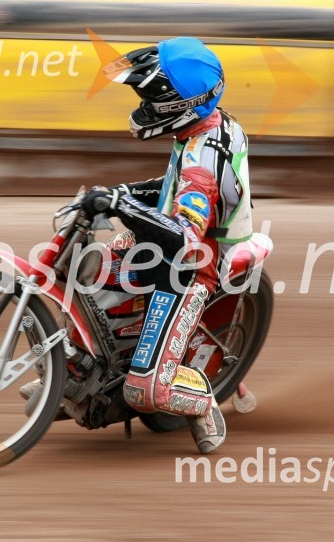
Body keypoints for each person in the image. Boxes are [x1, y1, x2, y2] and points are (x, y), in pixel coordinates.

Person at [79, 37, 254, 454]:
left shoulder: (205, 157)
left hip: (194, 263)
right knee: (88, 266)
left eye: (151, 98)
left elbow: (185, 236)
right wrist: (119, 193)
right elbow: (170, 188)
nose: (143, 105)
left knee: (146, 392)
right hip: (172, 241)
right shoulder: (199, 130)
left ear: (181, 104)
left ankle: (203, 401)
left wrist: (120, 203)